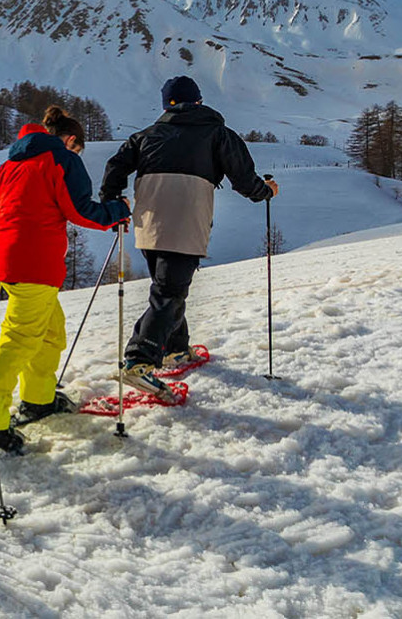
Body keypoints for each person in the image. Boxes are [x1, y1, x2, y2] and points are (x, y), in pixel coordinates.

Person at [0, 106, 130, 452]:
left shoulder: (10, 163)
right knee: (20, 339)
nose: (77, 154)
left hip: (9, 257)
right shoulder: (60, 160)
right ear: (70, 140)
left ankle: (37, 399)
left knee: (51, 331)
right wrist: (119, 210)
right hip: (34, 262)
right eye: (78, 149)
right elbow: (80, 210)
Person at [99, 76, 277, 400]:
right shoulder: (217, 132)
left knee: (168, 287)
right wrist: (265, 191)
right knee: (170, 292)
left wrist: (114, 201)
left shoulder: (146, 135)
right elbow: (243, 176)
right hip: (185, 221)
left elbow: (115, 165)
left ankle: (174, 350)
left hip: (148, 223)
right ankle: (140, 359)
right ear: (198, 101)